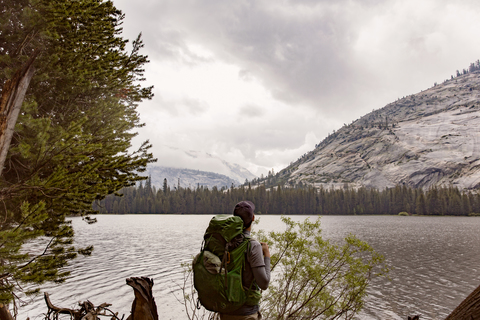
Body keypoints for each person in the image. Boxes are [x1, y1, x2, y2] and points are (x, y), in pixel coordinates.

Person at [220, 201, 271, 320]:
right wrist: (267, 255)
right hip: (246, 314)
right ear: (253, 218)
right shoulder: (253, 245)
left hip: (225, 312)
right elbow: (264, 283)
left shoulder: (224, 242)